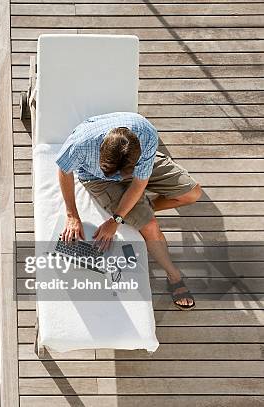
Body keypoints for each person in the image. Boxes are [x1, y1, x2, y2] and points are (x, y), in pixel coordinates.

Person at [56, 112, 201, 310]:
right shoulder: (81, 144)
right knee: (150, 226)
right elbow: (64, 170)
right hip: (97, 178)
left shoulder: (146, 135)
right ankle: (174, 277)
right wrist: (72, 215)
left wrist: (115, 219)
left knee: (192, 193)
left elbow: (139, 183)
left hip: (139, 169)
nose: (117, 177)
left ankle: (140, 210)